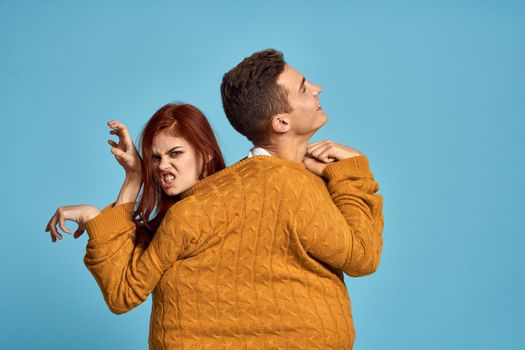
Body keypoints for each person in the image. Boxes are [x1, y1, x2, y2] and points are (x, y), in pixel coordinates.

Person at [47, 49, 383, 349]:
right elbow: (362, 257)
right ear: (280, 122)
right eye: (304, 87)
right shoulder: (294, 187)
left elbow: (124, 291)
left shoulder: (200, 205)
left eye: (175, 153)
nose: (317, 89)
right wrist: (352, 171)